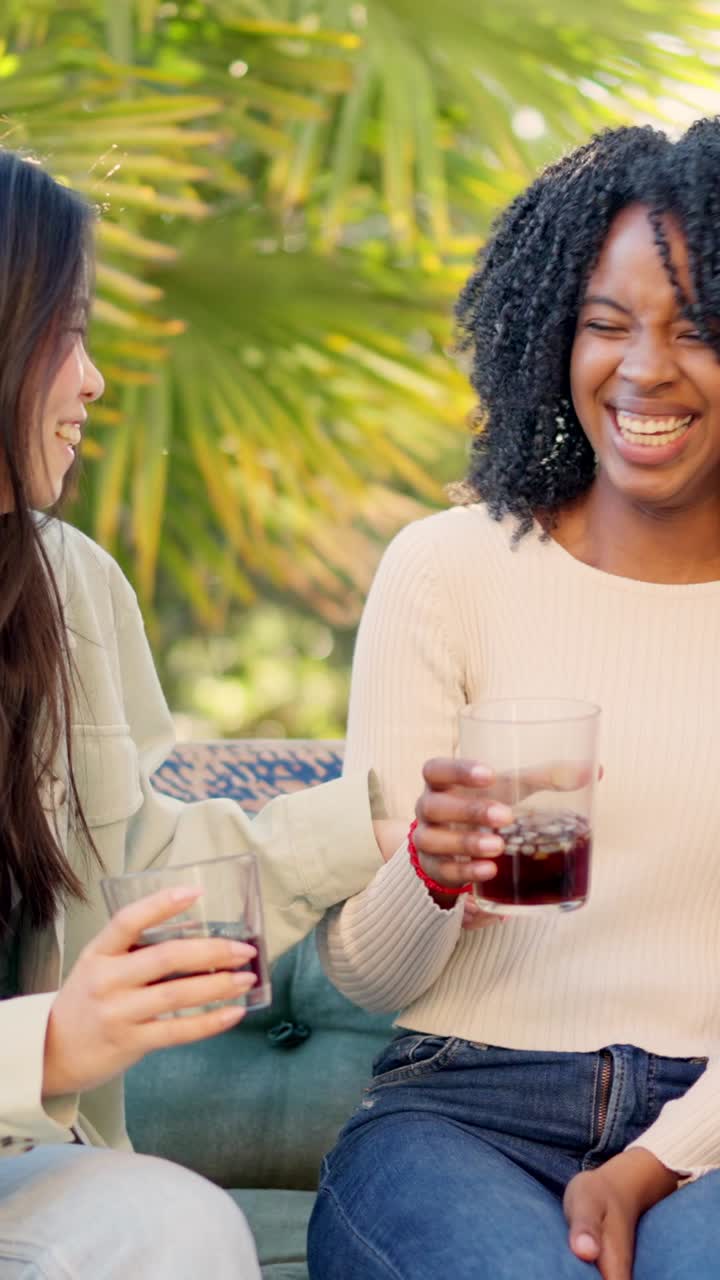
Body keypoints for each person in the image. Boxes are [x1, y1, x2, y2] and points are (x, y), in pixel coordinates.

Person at [0, 146, 470, 1279]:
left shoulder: (65, 587)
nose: (94, 381)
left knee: (178, 1226)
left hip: (22, 1155)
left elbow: (147, 865)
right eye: (70, 332)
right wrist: (49, 1039)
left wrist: (385, 816)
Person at [307, 118, 720, 1280]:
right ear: (551, 336)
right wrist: (430, 870)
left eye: (699, 329)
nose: (643, 368)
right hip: (460, 1102)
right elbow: (367, 975)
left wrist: (653, 1158)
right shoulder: (448, 569)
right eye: (604, 323)